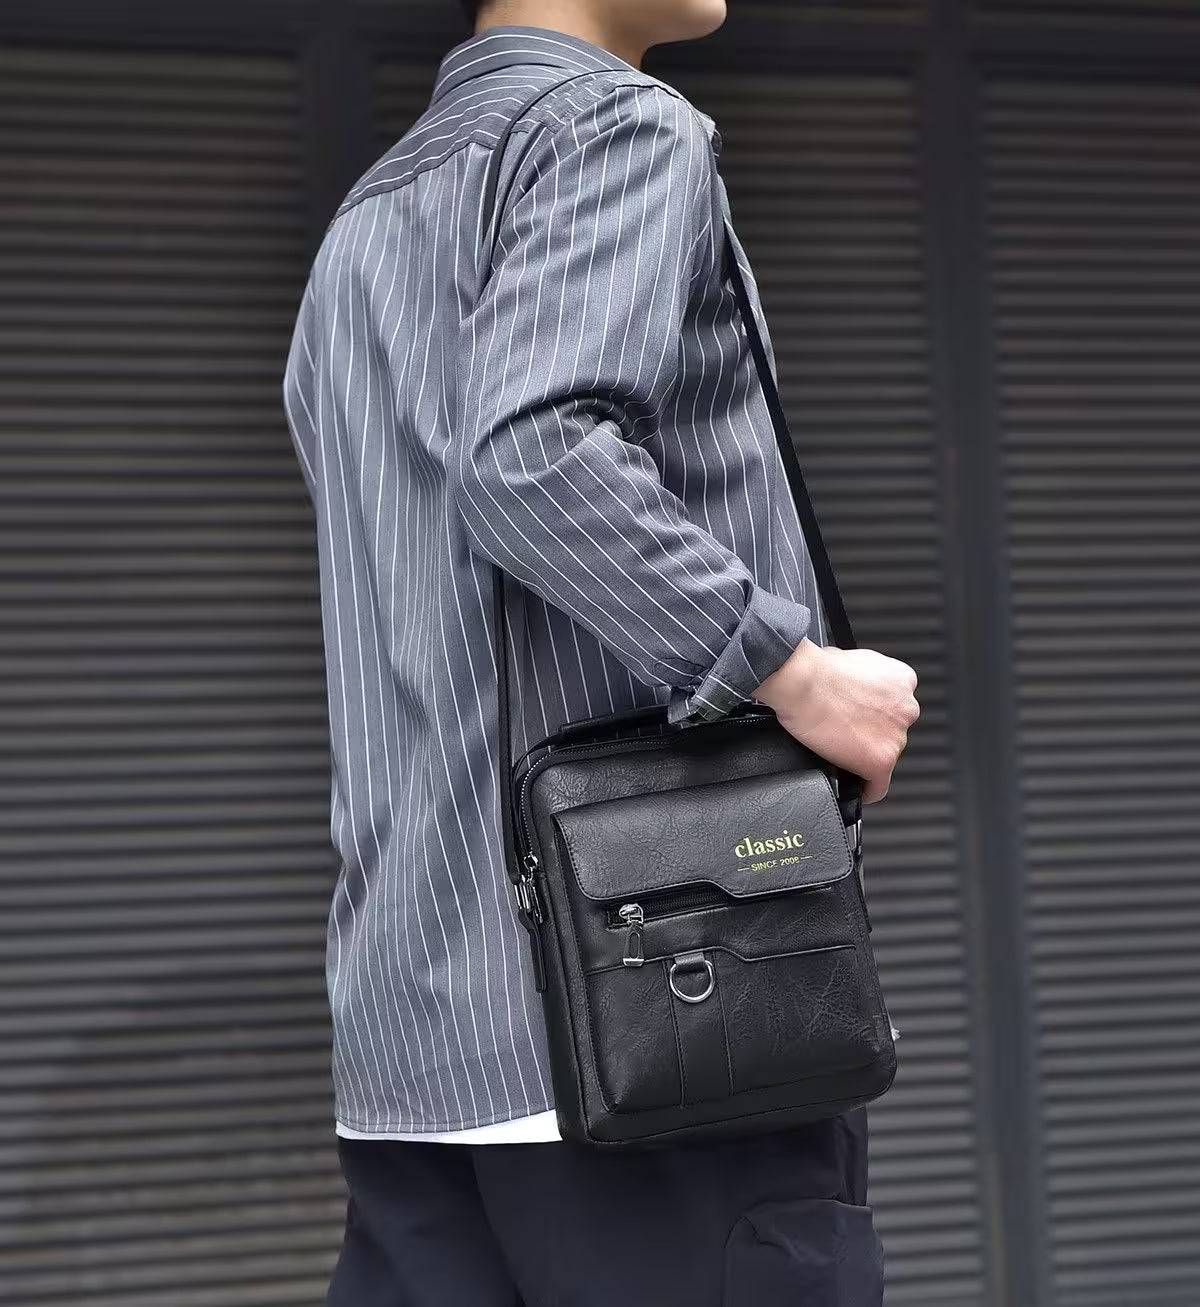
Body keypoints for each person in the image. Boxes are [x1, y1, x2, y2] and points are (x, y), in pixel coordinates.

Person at [282, 0, 920, 1301]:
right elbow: (532, 458)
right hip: (650, 1006)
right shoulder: (614, 127)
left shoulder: (366, 223)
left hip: (420, 1046)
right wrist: (795, 670)